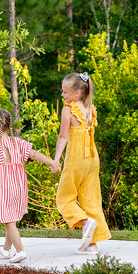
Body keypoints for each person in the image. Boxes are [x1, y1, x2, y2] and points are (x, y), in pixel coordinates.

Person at [0, 108, 60, 264]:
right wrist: (52, 162)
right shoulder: (17, 142)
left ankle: (20, 251)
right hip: (18, 187)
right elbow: (34, 154)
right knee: (11, 218)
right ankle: (6, 249)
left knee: (8, 221)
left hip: (2, 188)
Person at [54, 72, 111, 254]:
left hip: (77, 158)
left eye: (65, 92)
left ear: (77, 93)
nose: (63, 95)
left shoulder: (68, 110)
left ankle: (86, 222)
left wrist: (56, 160)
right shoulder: (90, 108)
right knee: (91, 199)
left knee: (64, 198)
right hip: (92, 159)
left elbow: (63, 137)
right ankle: (91, 245)